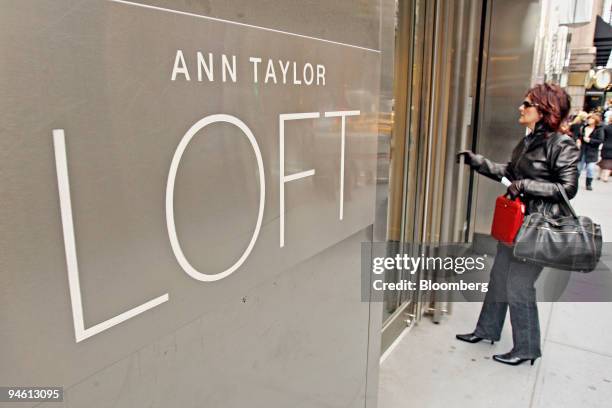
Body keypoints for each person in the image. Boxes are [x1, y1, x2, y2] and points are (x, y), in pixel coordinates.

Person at [455, 83, 579, 366]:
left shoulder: (562, 145)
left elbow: (567, 188)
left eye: (526, 105)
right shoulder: (528, 141)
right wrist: (479, 163)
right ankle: (486, 330)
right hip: (516, 225)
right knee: (499, 278)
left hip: (539, 228)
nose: (520, 108)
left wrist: (525, 185)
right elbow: (509, 174)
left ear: (544, 110)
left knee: (519, 286)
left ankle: (527, 347)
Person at [578, 113, 604, 190]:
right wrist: (578, 140)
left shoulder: (599, 129)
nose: (589, 120)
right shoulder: (584, 127)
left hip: (592, 151)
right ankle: (574, 183)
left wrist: (590, 140)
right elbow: (579, 136)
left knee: (590, 168)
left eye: (591, 119)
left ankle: (588, 184)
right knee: (578, 168)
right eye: (589, 118)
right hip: (582, 150)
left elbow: (600, 140)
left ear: (595, 121)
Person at [599, 117, 612, 182]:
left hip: (606, 145)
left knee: (603, 159)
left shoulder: (606, 127)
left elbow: (602, 137)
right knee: (609, 161)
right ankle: (605, 177)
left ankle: (600, 174)